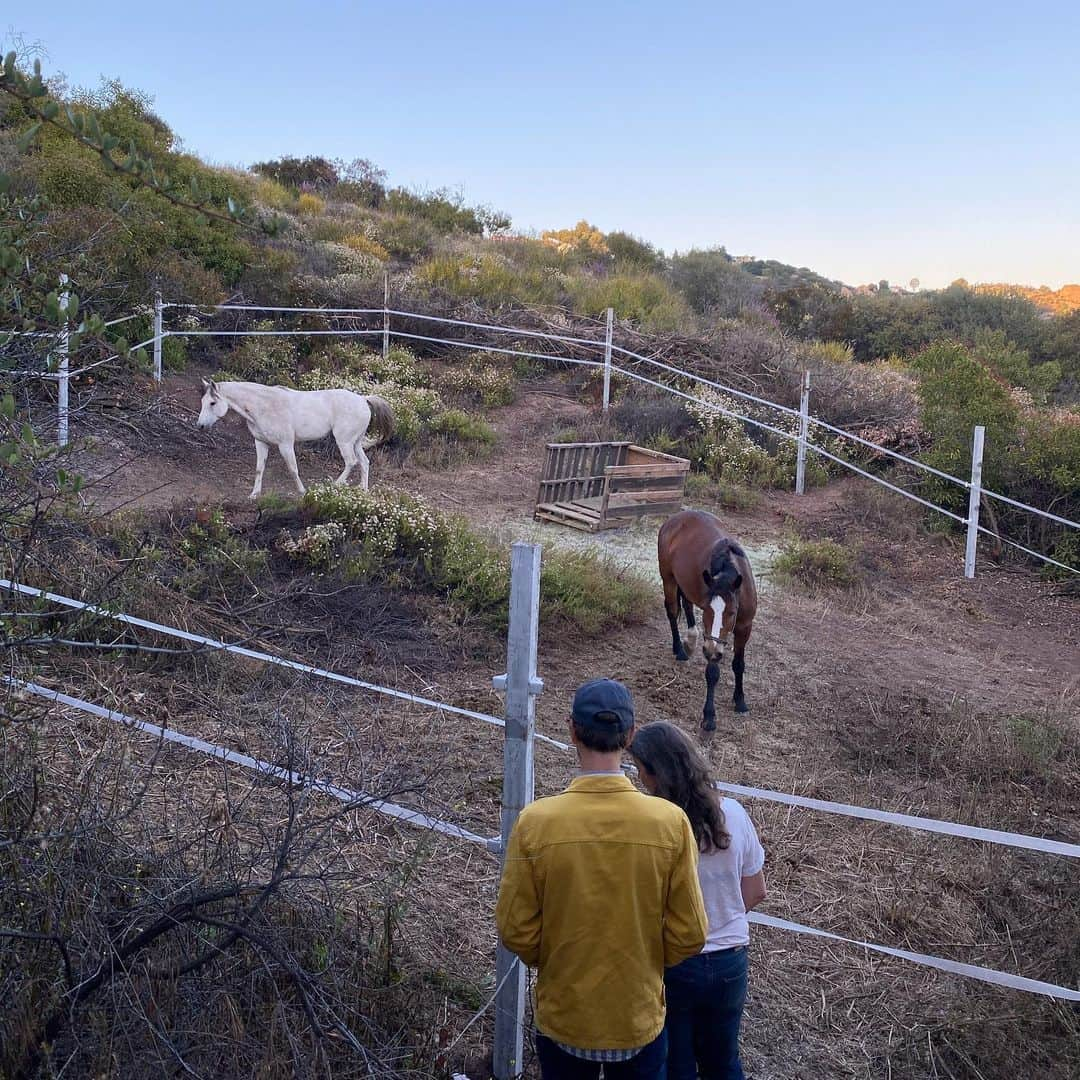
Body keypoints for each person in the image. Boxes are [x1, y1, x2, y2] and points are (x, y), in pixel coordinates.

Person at [496, 679, 708, 1079]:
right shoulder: (670, 823)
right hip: (637, 1017)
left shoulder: (536, 823)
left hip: (565, 1016)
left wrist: (557, 959)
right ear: (630, 736)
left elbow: (514, 928)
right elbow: (691, 932)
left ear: (571, 729)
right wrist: (645, 961)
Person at [629, 722, 766, 1080]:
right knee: (724, 1063)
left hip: (675, 961)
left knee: (677, 1065)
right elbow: (756, 891)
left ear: (656, 773)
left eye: (639, 769)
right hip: (730, 960)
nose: (637, 777)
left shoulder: (654, 827)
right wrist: (721, 917)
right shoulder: (734, 813)